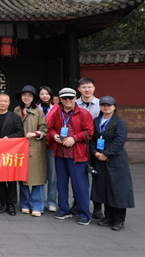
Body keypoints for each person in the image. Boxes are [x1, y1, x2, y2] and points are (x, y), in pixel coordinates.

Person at [47, 87, 94, 225]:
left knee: (80, 185)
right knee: (61, 184)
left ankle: (84, 213)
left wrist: (74, 138)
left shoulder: (84, 114)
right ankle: (63, 209)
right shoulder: (56, 113)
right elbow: (50, 128)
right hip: (60, 153)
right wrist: (54, 135)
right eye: (65, 98)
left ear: (75, 98)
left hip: (78, 155)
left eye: (71, 98)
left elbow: (89, 132)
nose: (68, 100)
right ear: (60, 100)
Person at [89, 96, 135, 231]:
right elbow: (92, 139)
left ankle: (119, 220)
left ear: (114, 107)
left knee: (118, 189)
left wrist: (106, 154)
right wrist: (95, 153)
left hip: (116, 160)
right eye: (103, 105)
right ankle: (108, 217)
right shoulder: (96, 121)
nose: (106, 107)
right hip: (99, 160)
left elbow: (119, 141)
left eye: (109, 105)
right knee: (105, 188)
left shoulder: (119, 123)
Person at [14, 86, 48, 217]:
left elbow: (44, 129)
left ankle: (37, 206)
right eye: (24, 95)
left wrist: (34, 133)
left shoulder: (38, 111)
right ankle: (24, 204)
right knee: (22, 177)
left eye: (29, 95)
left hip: (35, 148)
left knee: (37, 179)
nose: (26, 98)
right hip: (19, 149)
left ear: (33, 98)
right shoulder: (17, 110)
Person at [0, 92, 24, 216]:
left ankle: (11, 204)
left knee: (11, 179)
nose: (3, 103)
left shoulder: (14, 117)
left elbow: (21, 132)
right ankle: (3, 202)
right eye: (1, 101)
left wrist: (9, 138)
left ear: (9, 103)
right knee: (0, 179)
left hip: (10, 152)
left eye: (5, 101)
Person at [76, 77, 103, 219]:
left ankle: (97, 206)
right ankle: (77, 203)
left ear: (94, 88)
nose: (87, 90)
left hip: (97, 144)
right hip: (78, 143)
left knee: (97, 175)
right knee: (77, 174)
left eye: (89, 87)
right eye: (84, 87)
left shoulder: (101, 104)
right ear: (79, 89)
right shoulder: (73, 103)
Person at [39, 85, 57, 212]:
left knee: (53, 175)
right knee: (38, 174)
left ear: (51, 95)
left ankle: (51, 201)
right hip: (37, 145)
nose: (44, 96)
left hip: (52, 145)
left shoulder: (57, 109)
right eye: (42, 94)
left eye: (47, 94)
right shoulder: (34, 108)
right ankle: (38, 201)